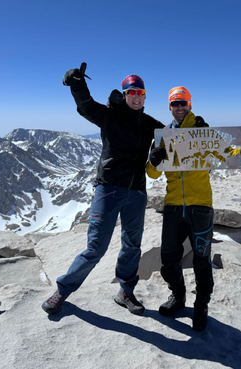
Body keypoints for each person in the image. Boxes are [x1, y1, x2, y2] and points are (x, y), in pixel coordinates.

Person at [42, 64, 164, 316]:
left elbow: (178, 139)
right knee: (96, 247)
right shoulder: (110, 116)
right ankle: (62, 291)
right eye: (132, 93)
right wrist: (77, 83)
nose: (137, 97)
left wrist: (202, 131)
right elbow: (87, 107)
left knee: (132, 245)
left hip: (137, 192)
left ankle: (126, 291)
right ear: (125, 94)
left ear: (145, 96)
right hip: (108, 188)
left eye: (141, 93)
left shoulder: (150, 124)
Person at [146, 86, 241, 330]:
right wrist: (153, 161)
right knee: (168, 259)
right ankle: (178, 296)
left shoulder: (203, 132)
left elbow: (229, 154)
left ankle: (201, 306)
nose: (179, 108)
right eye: (174, 104)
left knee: (201, 259)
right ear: (169, 107)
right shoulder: (165, 136)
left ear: (190, 104)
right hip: (174, 206)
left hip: (200, 206)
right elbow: (152, 173)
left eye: (182, 103)